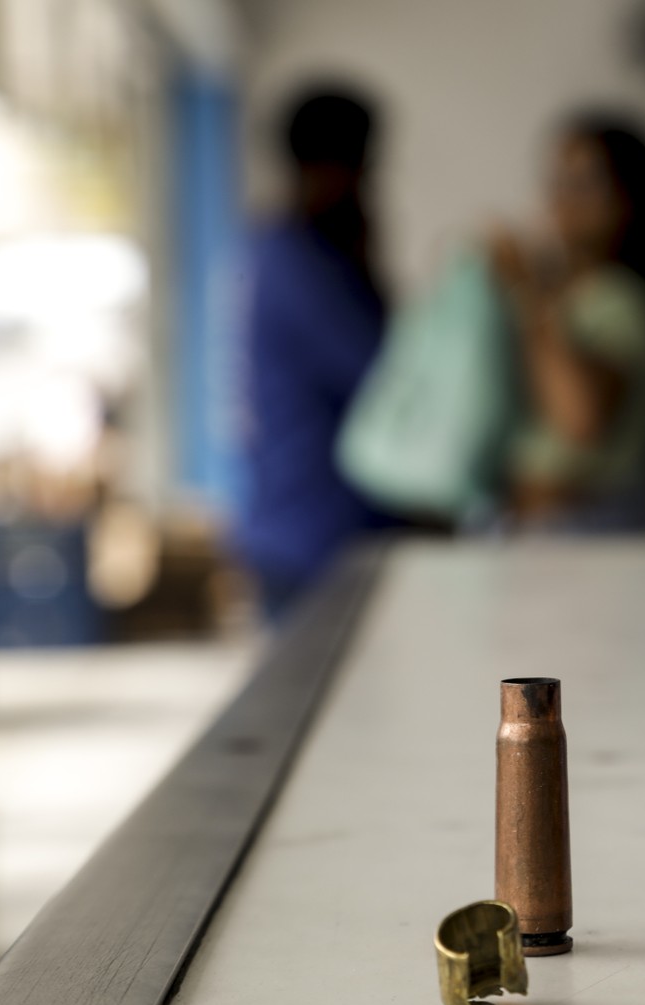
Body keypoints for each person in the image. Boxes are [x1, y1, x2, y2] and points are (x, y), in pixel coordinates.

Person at [491, 113, 645, 530]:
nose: (562, 199)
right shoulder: (571, 295)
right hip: (551, 528)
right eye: (558, 181)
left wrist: (526, 295)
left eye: (583, 183)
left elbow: (579, 419)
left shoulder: (620, 298)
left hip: (590, 528)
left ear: (628, 199)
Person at [234, 87, 395, 618]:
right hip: (312, 538)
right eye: (365, 165)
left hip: (317, 531)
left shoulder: (305, 254)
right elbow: (385, 376)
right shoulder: (300, 265)